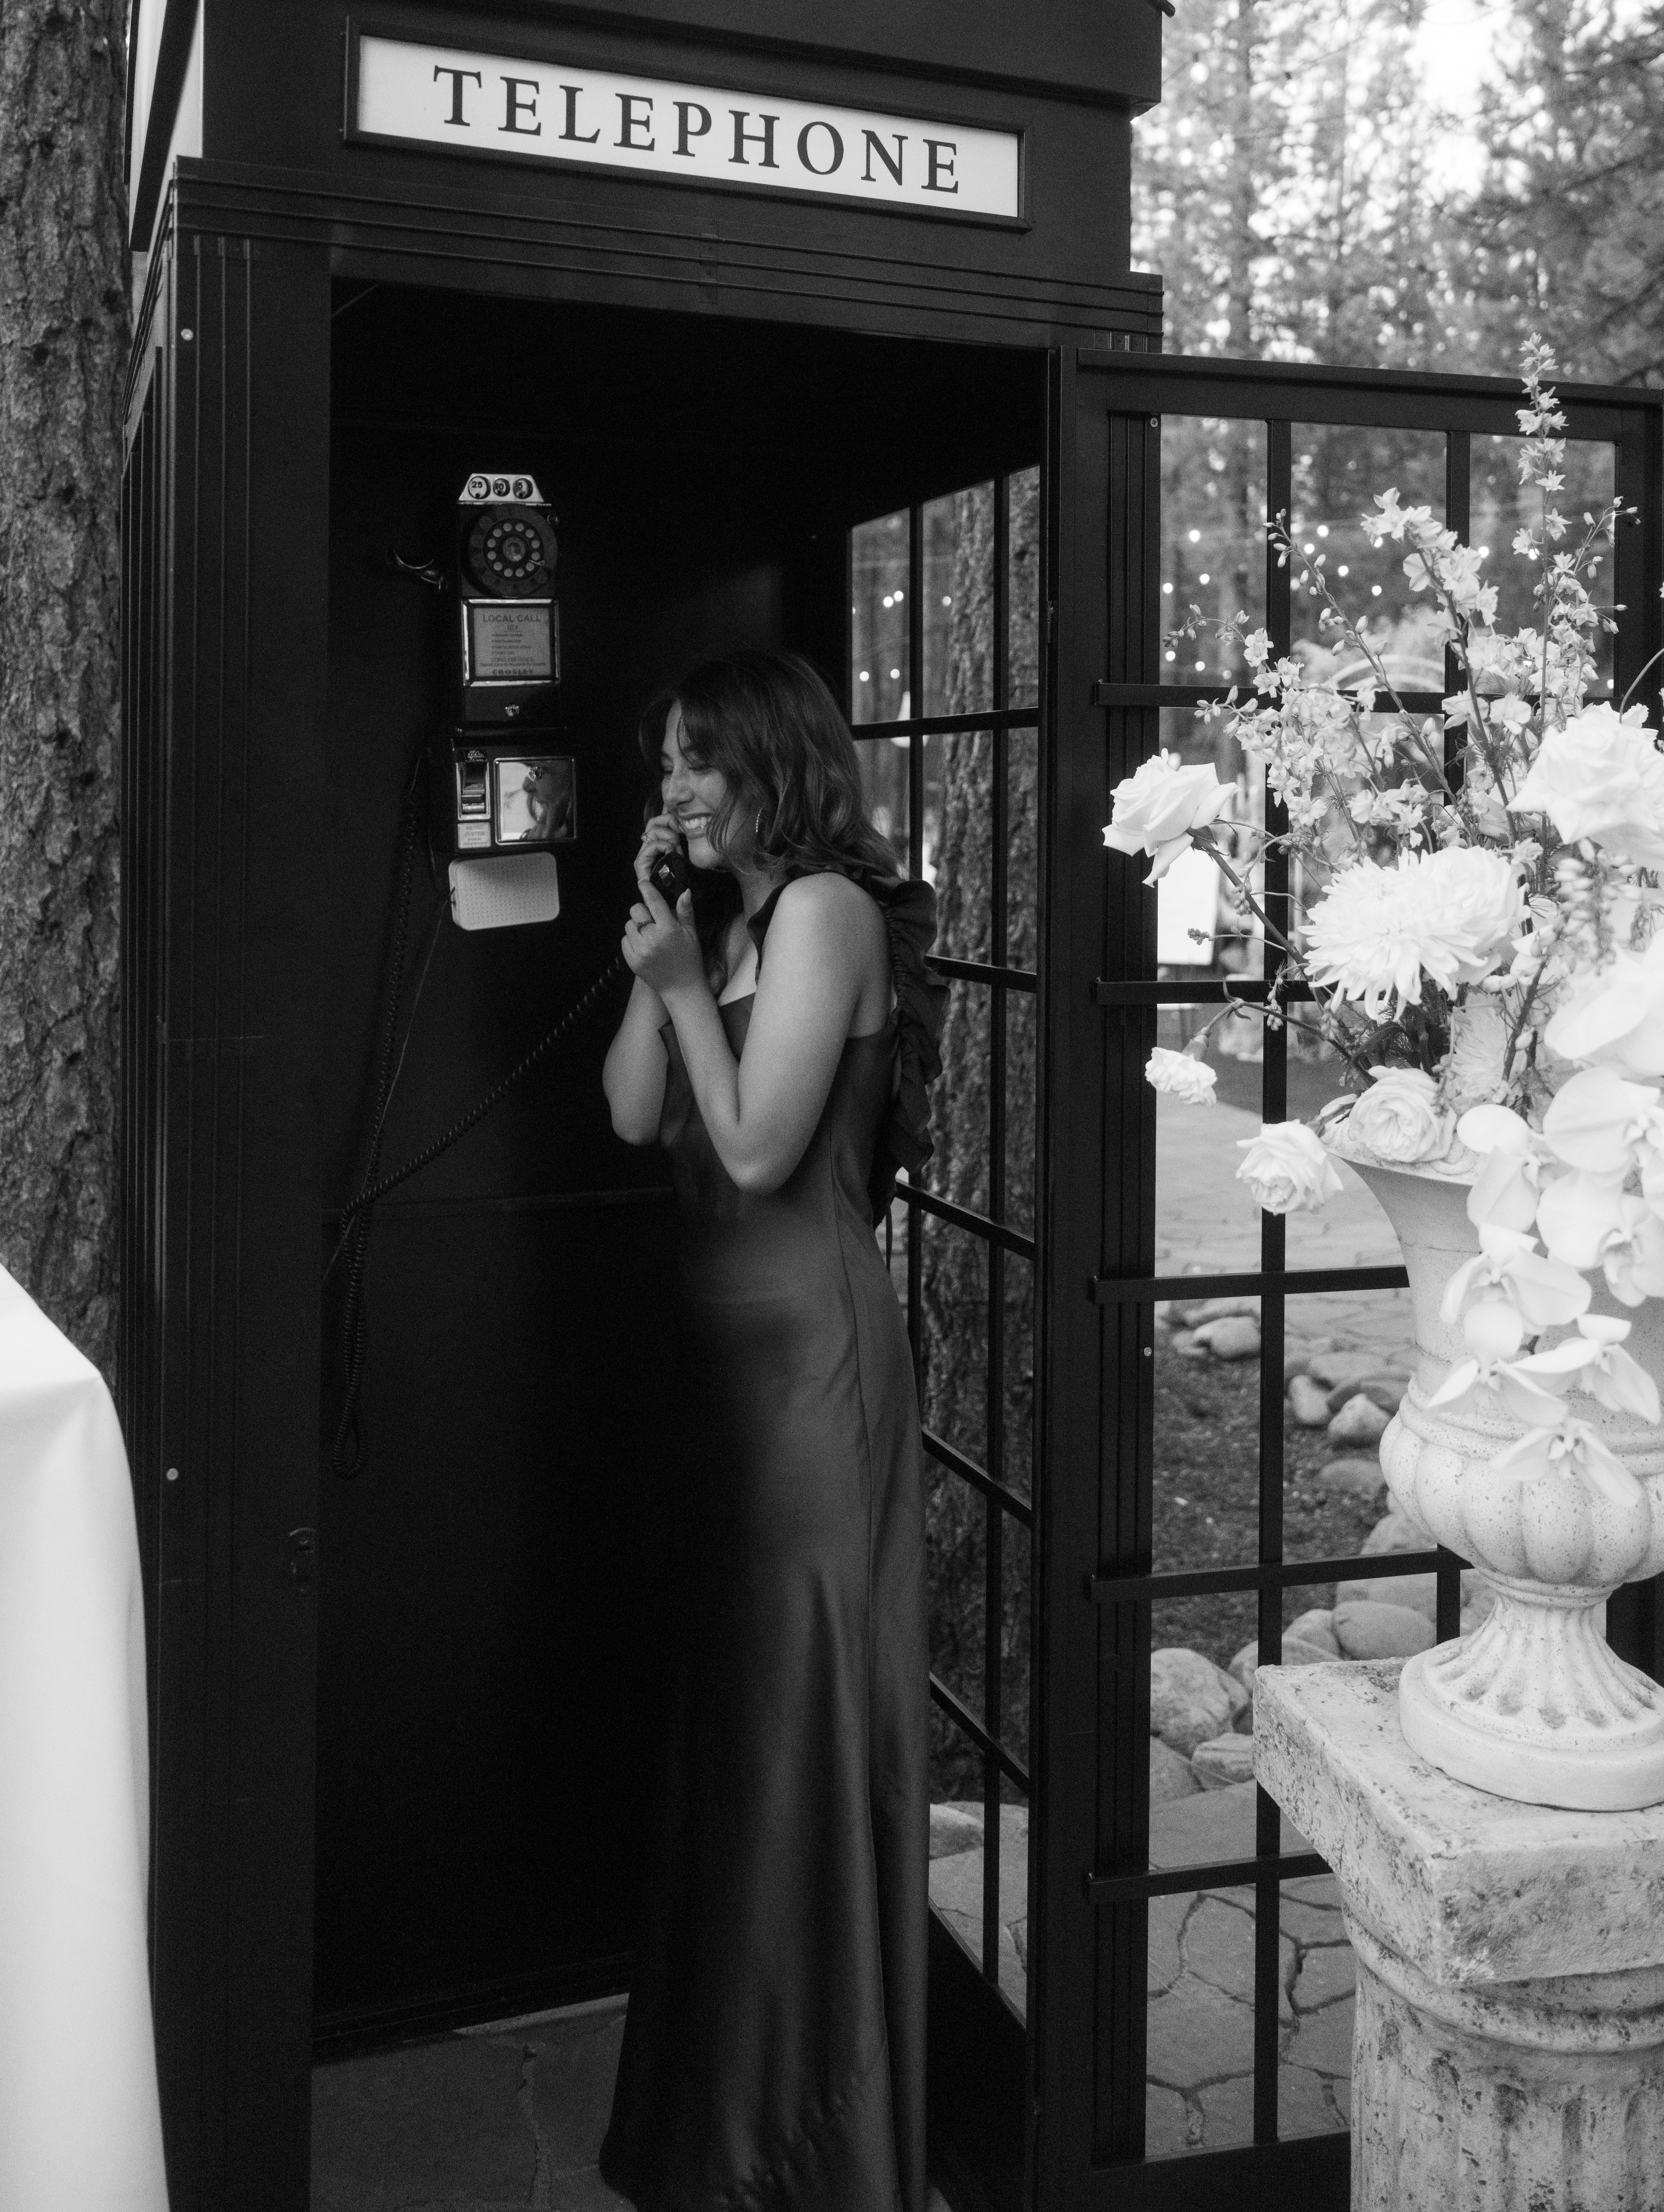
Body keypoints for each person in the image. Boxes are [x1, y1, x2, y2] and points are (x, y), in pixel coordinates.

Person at [598, 650, 946, 2212]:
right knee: (742, 1746)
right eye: (665, 763)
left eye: (695, 761)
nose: (671, 788)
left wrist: (689, 991)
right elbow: (625, 1113)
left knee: (804, 1735)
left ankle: (820, 2153)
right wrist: (655, 960)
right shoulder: (735, 923)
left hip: (813, 1372)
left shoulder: (826, 913)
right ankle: (726, 2135)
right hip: (725, 1391)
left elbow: (751, 1152)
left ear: (768, 762)